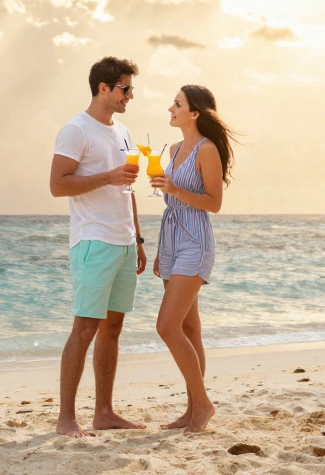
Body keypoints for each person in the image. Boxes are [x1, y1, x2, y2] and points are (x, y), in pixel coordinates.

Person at [49, 56, 148, 438]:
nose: (130, 95)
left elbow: (127, 188)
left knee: (113, 328)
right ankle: (66, 419)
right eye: (125, 88)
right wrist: (107, 176)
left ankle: (104, 412)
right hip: (93, 240)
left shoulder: (121, 131)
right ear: (103, 88)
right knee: (85, 328)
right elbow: (58, 185)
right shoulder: (76, 130)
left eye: (131, 89)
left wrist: (137, 238)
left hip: (123, 241)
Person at [149, 84, 235, 432]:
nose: (171, 108)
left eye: (178, 104)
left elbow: (214, 203)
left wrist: (174, 189)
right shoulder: (173, 148)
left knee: (166, 326)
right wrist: (159, 251)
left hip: (195, 242)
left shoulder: (207, 149)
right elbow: (172, 204)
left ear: (195, 113)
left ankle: (202, 405)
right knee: (189, 328)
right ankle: (191, 410)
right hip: (171, 240)